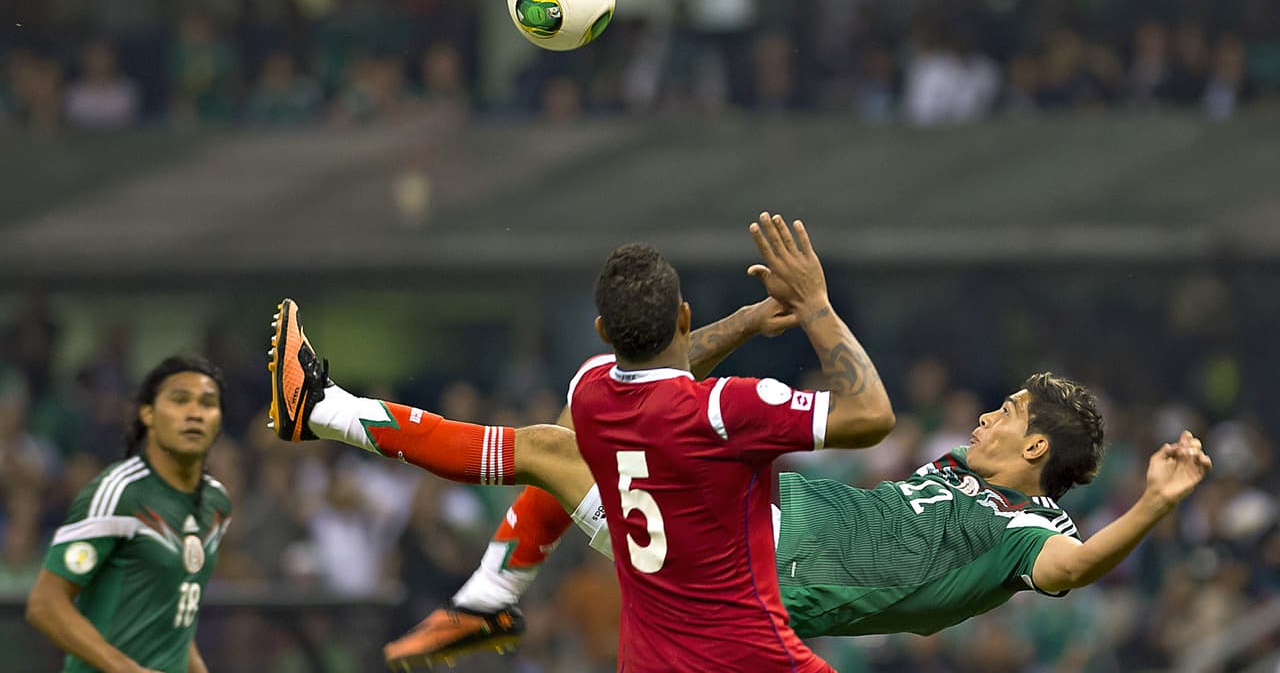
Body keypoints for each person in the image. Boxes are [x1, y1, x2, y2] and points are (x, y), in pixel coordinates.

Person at [268, 214, 1212, 669]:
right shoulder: (954, 468)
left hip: (742, 578)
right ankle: (472, 582)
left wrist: (1157, 505)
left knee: (560, 446)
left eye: (1007, 412)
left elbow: (1076, 567)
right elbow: (665, 370)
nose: (987, 416)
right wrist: (757, 321)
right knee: (561, 446)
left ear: (1039, 451)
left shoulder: (1025, 529)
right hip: (733, 531)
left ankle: (457, 561)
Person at [269, 212, 895, 671]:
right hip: (757, 631)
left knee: (539, 451)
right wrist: (815, 304)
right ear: (682, 316)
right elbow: (870, 414)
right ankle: (484, 590)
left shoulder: (591, 390)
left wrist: (748, 320)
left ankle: (331, 413)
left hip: (651, 629)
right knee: (543, 453)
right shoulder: (728, 407)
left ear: (601, 330)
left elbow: (658, 367)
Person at [26, 355, 233, 673]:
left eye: (207, 403)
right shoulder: (119, 492)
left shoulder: (216, 502)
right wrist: (126, 669)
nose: (194, 413)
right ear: (147, 414)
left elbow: (173, 612)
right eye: (179, 400)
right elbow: (45, 604)